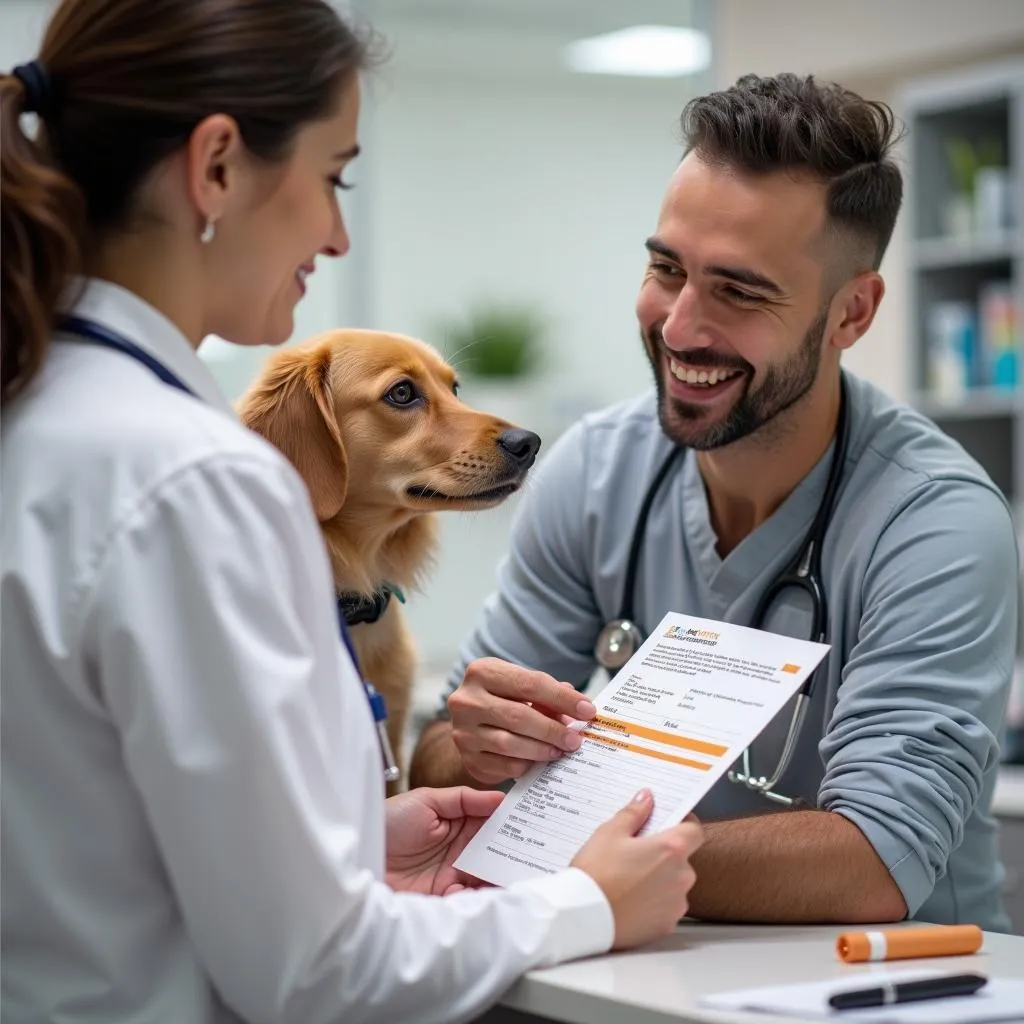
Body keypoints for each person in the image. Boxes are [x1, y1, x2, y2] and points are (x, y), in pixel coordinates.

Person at [0, 2, 706, 1022]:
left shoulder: (42, 418)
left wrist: (349, 842)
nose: (335, 235)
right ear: (217, 168)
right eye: (335, 177)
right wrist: (585, 902)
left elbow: (88, 829)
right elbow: (315, 973)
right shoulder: (192, 478)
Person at [410, 72, 1019, 934]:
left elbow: (874, 861)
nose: (679, 326)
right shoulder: (596, 472)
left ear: (852, 313)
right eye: (667, 269)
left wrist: (574, 858)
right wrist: (473, 743)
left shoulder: (935, 521)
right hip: (658, 975)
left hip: (893, 984)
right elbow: (442, 767)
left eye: (739, 290)